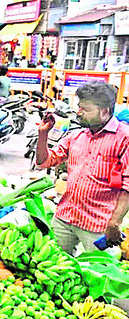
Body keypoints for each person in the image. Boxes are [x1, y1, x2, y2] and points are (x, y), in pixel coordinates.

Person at [36, 81, 129, 255]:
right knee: (55, 265)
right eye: (79, 107)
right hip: (65, 217)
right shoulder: (76, 135)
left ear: (105, 111)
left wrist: (115, 222)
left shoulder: (124, 138)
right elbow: (45, 161)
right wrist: (43, 135)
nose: (79, 113)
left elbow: (127, 184)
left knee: (97, 273)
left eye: (85, 109)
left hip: (98, 224)